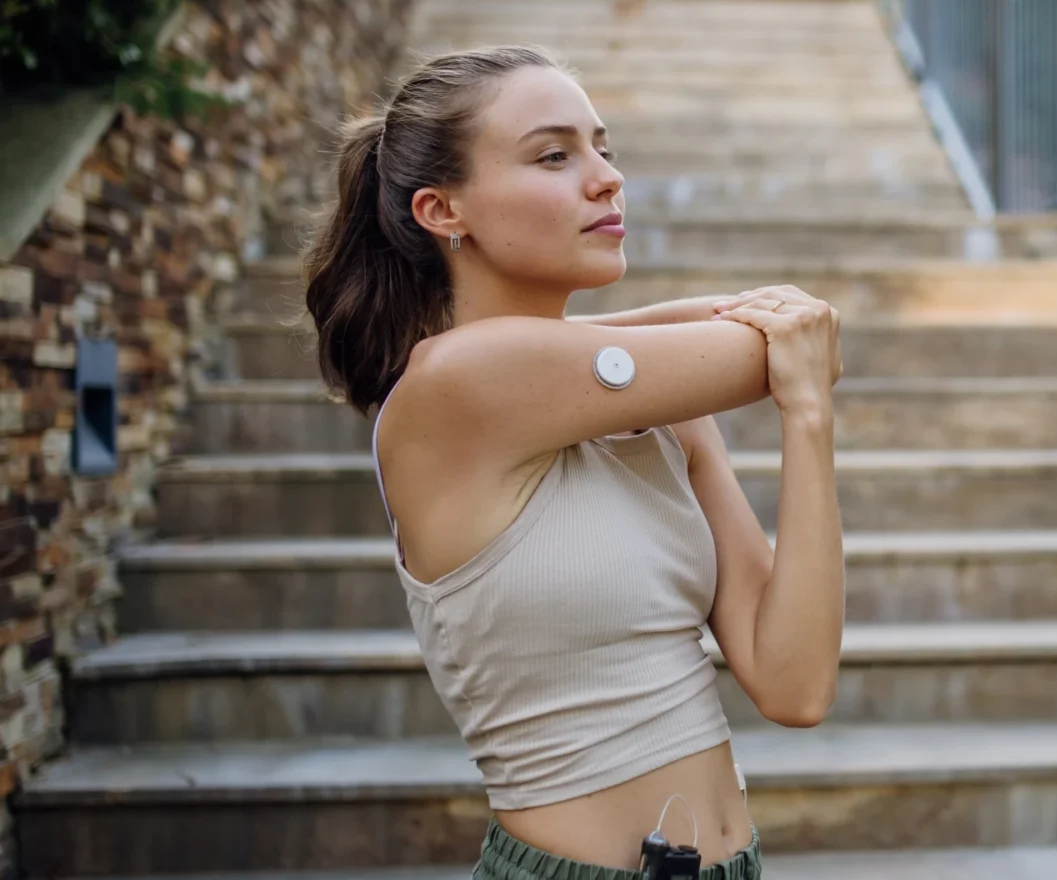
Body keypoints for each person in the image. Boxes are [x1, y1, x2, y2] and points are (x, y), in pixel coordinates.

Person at [301, 45, 845, 879]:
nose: (605, 179)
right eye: (555, 155)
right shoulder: (453, 385)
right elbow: (763, 344)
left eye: (603, 148)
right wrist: (791, 363)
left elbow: (793, 685)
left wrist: (808, 421)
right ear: (443, 211)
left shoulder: (653, 408)